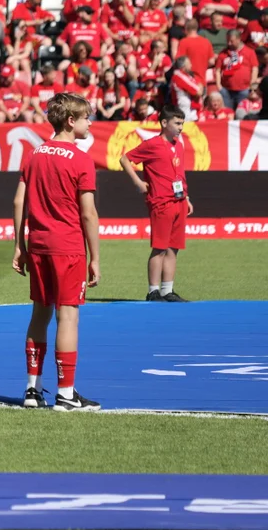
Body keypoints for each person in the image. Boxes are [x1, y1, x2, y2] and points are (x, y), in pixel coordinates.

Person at [12, 93, 101, 412]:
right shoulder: (80, 159)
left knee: (39, 313)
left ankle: (32, 390)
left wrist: (19, 246)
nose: (91, 122)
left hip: (37, 245)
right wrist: (95, 258)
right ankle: (65, 393)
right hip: (67, 247)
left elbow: (18, 201)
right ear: (70, 121)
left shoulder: (35, 154)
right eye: (87, 116)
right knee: (68, 316)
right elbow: (88, 214)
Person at [119, 105, 193, 303]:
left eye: (182, 123)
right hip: (161, 201)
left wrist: (186, 197)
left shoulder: (178, 144)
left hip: (178, 201)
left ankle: (167, 290)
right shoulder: (151, 144)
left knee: (173, 248)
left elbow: (180, 173)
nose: (180, 127)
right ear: (164, 123)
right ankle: (153, 291)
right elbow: (125, 159)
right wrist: (137, 182)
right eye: (177, 123)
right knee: (160, 247)